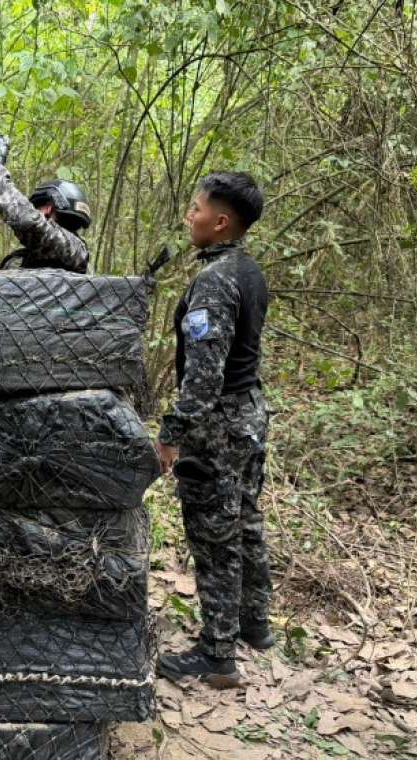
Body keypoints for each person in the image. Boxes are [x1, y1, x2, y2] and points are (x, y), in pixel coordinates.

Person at [154, 172, 271, 684]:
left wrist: (170, 434)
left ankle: (217, 654)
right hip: (249, 414)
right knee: (245, 521)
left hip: (219, 425)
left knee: (216, 536)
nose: (189, 216)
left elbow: (204, 376)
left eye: (196, 208)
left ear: (220, 221)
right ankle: (254, 625)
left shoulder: (215, 280)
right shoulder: (248, 270)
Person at [0, 150, 91, 273]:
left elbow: (28, 221)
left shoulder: (75, 251)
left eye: (37, 207)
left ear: (48, 208)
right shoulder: (29, 258)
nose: (35, 211)